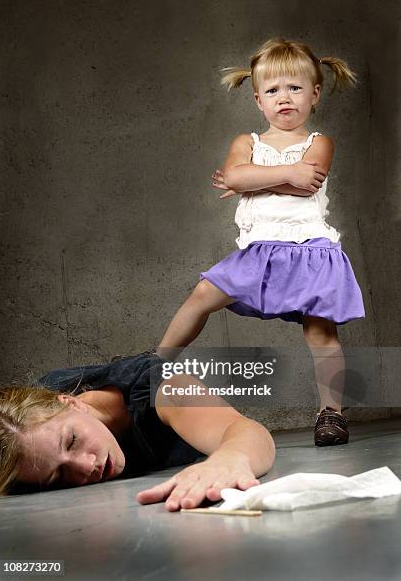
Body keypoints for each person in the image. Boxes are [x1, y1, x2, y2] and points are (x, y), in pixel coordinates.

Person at [156, 36, 365, 446]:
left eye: (294, 88)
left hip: (312, 251)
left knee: (321, 333)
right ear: (258, 100)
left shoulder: (319, 142)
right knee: (203, 293)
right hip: (260, 252)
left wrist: (255, 180)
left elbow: (307, 185)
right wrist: (286, 175)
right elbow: (235, 175)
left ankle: (331, 413)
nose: (283, 98)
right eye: (272, 91)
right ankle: (155, 362)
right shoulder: (246, 143)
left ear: (315, 94)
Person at [0, 351, 275, 511]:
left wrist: (230, 458)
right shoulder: (26, 450)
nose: (87, 466)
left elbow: (245, 430)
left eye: (72, 442)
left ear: (70, 401)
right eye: (59, 474)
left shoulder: (159, 387)